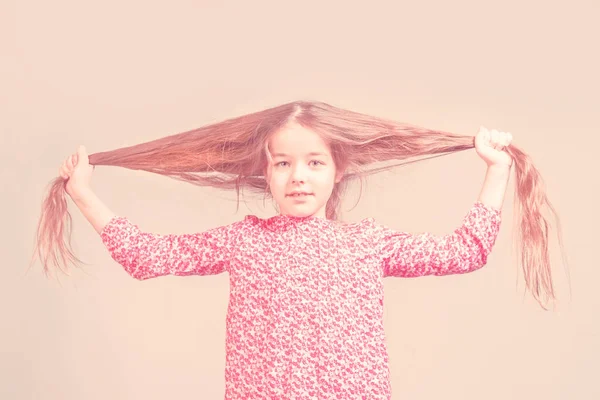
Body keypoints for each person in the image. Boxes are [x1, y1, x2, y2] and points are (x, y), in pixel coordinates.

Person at [32, 100, 567, 399]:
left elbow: (464, 251)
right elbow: (148, 257)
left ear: (338, 172)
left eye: (314, 162)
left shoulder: (366, 243)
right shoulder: (244, 241)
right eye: (282, 162)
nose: (298, 177)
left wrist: (496, 172)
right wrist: (82, 192)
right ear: (264, 173)